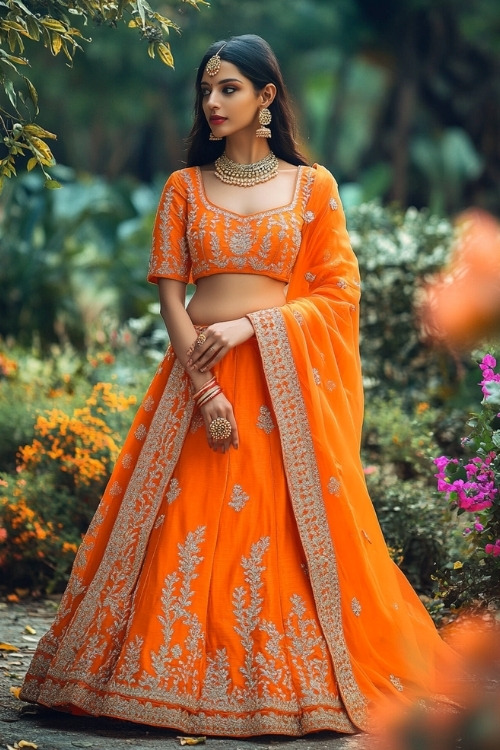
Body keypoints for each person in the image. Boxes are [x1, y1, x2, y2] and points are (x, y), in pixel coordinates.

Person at [20, 34, 457, 737]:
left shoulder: (313, 187)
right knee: (179, 532)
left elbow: (339, 295)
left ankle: (278, 687)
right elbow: (172, 299)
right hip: (193, 384)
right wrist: (205, 389)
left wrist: (256, 328)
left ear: (267, 97)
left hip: (280, 388)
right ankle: (144, 681)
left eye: (228, 88)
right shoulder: (183, 188)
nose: (213, 102)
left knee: (273, 540)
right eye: (206, 90)